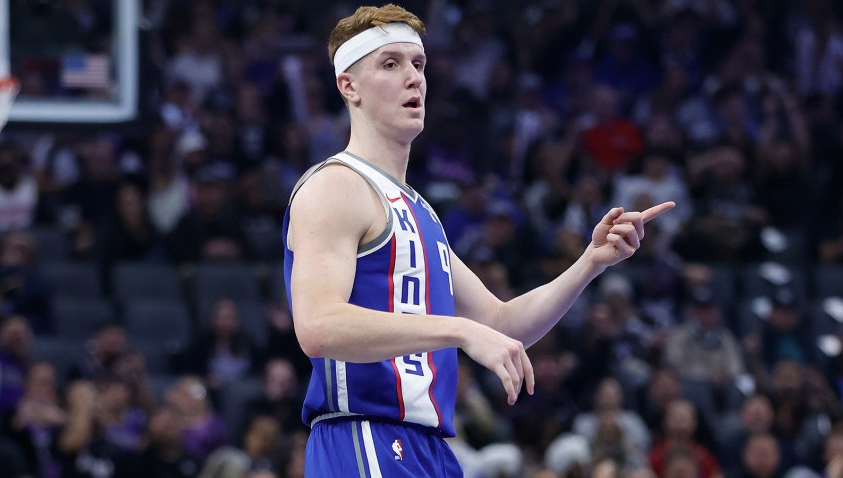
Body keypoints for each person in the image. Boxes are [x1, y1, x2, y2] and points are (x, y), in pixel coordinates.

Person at [282, 4, 674, 476]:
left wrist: (591, 262)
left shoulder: (418, 210)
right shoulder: (335, 185)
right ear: (349, 86)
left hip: (429, 446)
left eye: (418, 64)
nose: (413, 78)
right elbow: (319, 327)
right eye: (390, 64)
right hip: (365, 436)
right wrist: (459, 330)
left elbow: (502, 324)